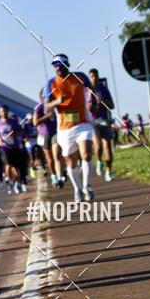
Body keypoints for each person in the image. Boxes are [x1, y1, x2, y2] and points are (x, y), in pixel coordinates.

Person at [45, 54, 94, 202]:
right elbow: (47, 107)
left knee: (86, 154)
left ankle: (87, 185)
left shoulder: (80, 77)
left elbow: (91, 91)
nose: (58, 68)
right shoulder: (51, 83)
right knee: (71, 162)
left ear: (68, 64)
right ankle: (77, 189)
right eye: (55, 65)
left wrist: (93, 101)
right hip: (64, 129)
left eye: (60, 64)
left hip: (82, 123)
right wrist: (57, 102)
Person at [87, 69, 115, 182]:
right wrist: (92, 102)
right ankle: (99, 161)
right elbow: (87, 108)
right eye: (92, 76)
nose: (95, 78)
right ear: (89, 78)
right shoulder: (86, 91)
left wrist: (102, 101)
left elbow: (112, 105)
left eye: (96, 76)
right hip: (93, 122)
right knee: (98, 146)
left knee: (108, 148)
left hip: (104, 120)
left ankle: (109, 171)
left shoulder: (104, 89)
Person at [33, 88, 64, 188]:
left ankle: (60, 176)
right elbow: (35, 122)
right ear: (42, 96)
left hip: (56, 132)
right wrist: (47, 117)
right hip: (44, 134)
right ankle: (54, 176)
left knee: (57, 154)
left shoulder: (55, 103)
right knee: (50, 158)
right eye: (45, 94)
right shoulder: (39, 107)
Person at [0, 105, 25, 194]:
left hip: (15, 147)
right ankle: (9, 181)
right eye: (2, 111)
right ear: (0, 112)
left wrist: (14, 134)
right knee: (8, 165)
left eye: (5, 111)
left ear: (8, 111)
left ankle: (16, 183)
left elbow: (20, 132)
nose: (4, 112)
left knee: (15, 168)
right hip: (5, 148)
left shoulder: (14, 122)